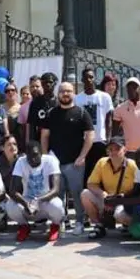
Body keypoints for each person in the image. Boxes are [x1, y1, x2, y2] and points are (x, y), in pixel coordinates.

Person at [40, 81, 94, 235]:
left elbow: (90, 135)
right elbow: (44, 135)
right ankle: (61, 221)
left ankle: (79, 222)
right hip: (55, 163)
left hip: (75, 163)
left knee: (77, 194)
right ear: (58, 94)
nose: (65, 94)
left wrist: (82, 156)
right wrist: (46, 157)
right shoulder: (51, 113)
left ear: (73, 93)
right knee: (58, 194)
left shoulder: (82, 113)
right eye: (63, 91)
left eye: (69, 91)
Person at [80, 136, 138, 239]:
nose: (113, 152)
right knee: (85, 194)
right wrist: (103, 195)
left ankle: (130, 226)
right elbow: (91, 184)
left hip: (124, 201)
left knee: (120, 215)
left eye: (117, 149)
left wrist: (120, 199)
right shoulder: (102, 162)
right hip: (107, 199)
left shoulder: (133, 165)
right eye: (110, 149)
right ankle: (99, 225)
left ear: (125, 150)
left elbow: (139, 188)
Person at [6, 141, 65, 242]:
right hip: (28, 202)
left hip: (45, 200)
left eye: (35, 155)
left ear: (41, 153)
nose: (33, 159)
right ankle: (24, 226)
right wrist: (26, 204)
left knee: (58, 205)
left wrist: (38, 200)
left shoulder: (51, 161)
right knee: (10, 206)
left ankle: (55, 226)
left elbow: (55, 190)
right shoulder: (21, 161)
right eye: (29, 156)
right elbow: (13, 190)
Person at [75, 66, 114, 183]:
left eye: (91, 77)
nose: (89, 80)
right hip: (84, 142)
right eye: (86, 77)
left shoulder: (105, 97)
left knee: (102, 172)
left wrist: (108, 138)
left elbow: (109, 119)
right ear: (82, 80)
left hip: (100, 141)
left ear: (95, 79)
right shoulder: (77, 99)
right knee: (87, 173)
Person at [27, 72, 58, 144]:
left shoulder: (59, 102)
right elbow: (32, 126)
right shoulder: (35, 102)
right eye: (45, 82)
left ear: (55, 83)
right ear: (42, 84)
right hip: (40, 140)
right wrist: (32, 143)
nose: (48, 84)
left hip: (57, 140)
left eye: (50, 82)